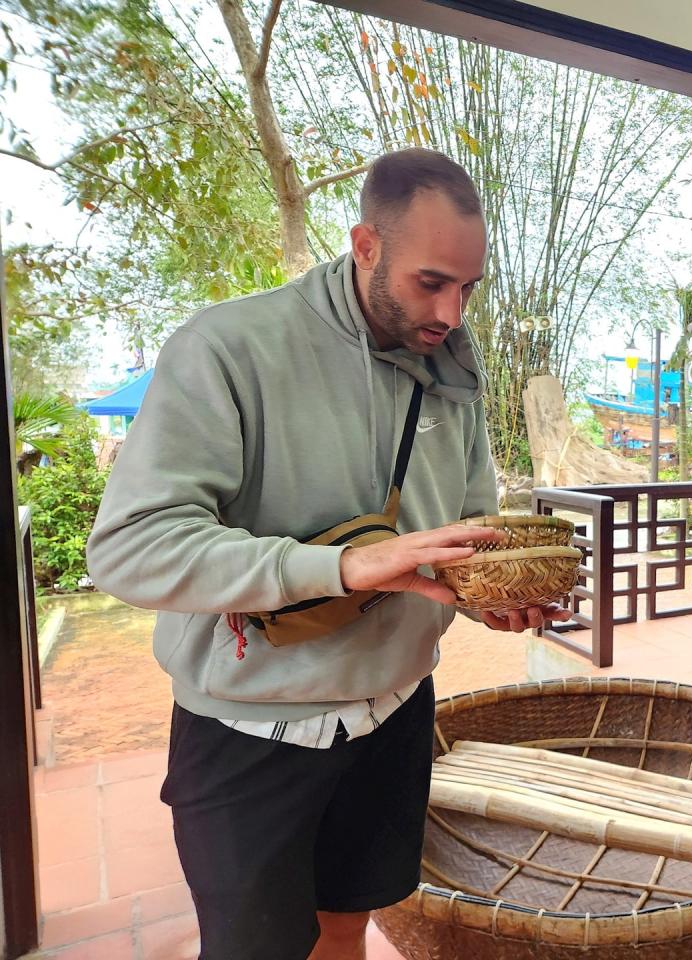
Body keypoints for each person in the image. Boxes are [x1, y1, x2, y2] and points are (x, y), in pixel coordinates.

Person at [87, 148, 570, 960]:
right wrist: (342, 568)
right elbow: (131, 548)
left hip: (395, 709)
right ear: (365, 245)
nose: (452, 311)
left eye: (468, 287)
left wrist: (490, 588)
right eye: (431, 282)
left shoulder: (450, 360)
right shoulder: (228, 347)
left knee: (349, 927)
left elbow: (467, 517)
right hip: (251, 724)